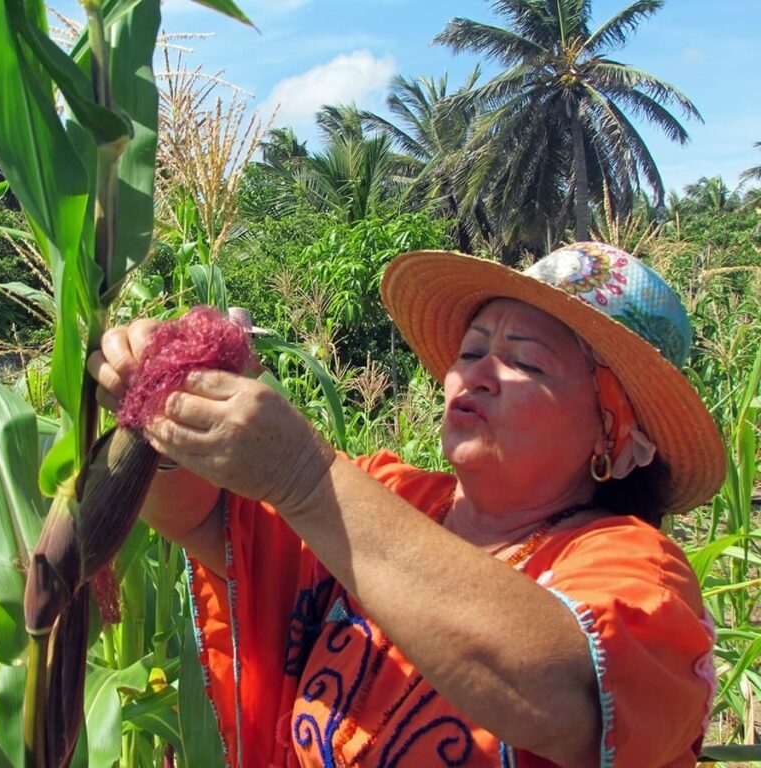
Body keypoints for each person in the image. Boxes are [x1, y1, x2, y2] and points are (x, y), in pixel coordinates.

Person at [88, 242, 724, 768]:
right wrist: (159, 412)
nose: (476, 374)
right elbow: (200, 515)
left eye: (525, 362)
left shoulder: (639, 570)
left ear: (609, 431)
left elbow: (561, 691)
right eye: (472, 352)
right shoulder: (390, 495)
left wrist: (307, 478)